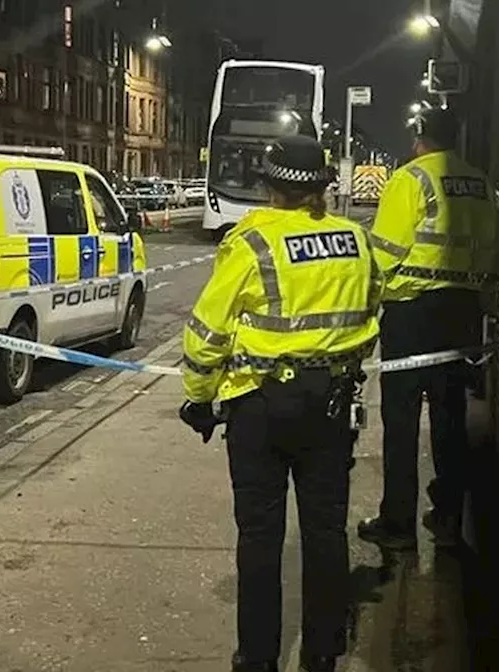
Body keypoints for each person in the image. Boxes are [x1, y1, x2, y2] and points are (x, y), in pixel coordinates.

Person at [179, 134, 382, 672]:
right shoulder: (355, 240)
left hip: (261, 407)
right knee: (325, 530)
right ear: (323, 185)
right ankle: (322, 654)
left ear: (269, 186)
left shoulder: (252, 242)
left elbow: (207, 333)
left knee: (261, 536)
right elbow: (370, 313)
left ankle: (258, 659)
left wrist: (199, 397)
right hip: (333, 403)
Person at [355, 107, 499, 550]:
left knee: (400, 417)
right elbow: (496, 251)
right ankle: (449, 513)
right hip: (461, 311)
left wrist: (367, 303)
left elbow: (384, 252)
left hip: (411, 312)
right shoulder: (481, 184)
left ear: (420, 138)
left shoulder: (410, 178)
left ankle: (397, 523)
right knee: (449, 414)